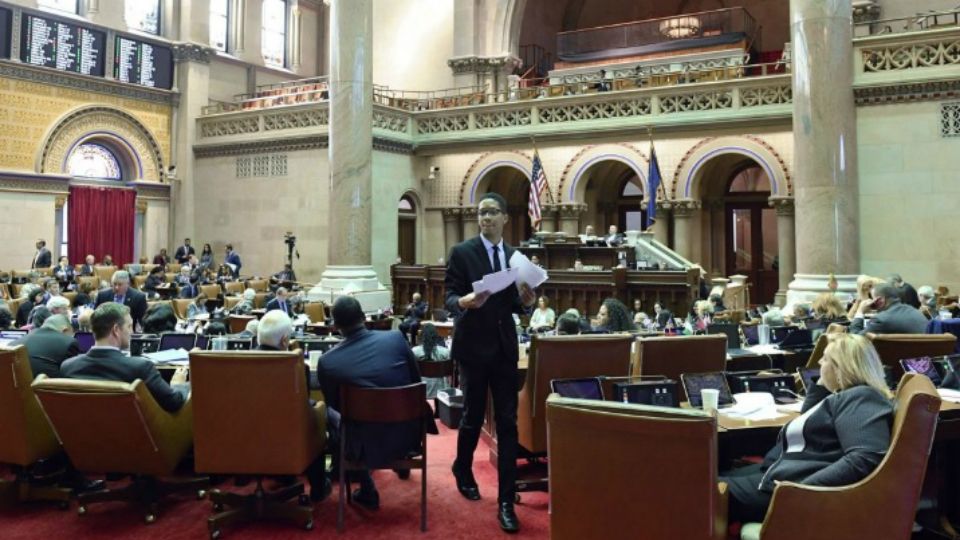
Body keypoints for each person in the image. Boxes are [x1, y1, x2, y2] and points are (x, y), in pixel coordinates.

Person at [720, 333, 894, 523]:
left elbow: (864, 458)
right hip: (781, 473)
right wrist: (822, 383)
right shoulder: (845, 396)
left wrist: (801, 491)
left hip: (791, 487)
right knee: (711, 475)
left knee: (699, 491)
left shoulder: (862, 398)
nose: (819, 361)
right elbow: (806, 423)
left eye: (826, 358)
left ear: (841, 368)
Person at [444, 191, 536, 533]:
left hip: (503, 349)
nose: (485, 218)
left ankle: (506, 503)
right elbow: (449, 297)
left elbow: (515, 305)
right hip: (472, 348)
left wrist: (527, 301)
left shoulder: (514, 257)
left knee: (508, 424)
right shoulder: (462, 253)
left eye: (492, 212)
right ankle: (462, 468)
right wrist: (464, 300)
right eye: (481, 213)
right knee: (470, 416)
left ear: (505, 218)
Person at [316, 296, 428, 510]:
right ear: (363, 317)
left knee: (328, 412)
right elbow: (416, 382)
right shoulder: (396, 339)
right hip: (407, 435)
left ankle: (367, 489)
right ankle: (401, 457)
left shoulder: (327, 362)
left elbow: (334, 405)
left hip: (362, 445)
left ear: (335, 325)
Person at [61, 303, 189, 413]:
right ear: (116, 330)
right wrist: (178, 385)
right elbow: (174, 404)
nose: (132, 332)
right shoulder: (140, 368)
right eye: (129, 326)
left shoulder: (68, 367)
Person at [11, 314, 79, 379]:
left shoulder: (13, 343)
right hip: (47, 388)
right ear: (65, 330)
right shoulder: (68, 342)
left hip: (16, 386)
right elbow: (72, 373)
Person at [849, 281, 927, 335]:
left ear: (880, 300)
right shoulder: (916, 312)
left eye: (873, 298)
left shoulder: (881, 320)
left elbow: (855, 339)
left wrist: (860, 311)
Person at [411, 322, 450, 398]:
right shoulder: (445, 352)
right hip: (441, 390)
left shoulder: (414, 351)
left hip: (421, 389)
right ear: (436, 336)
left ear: (421, 336)